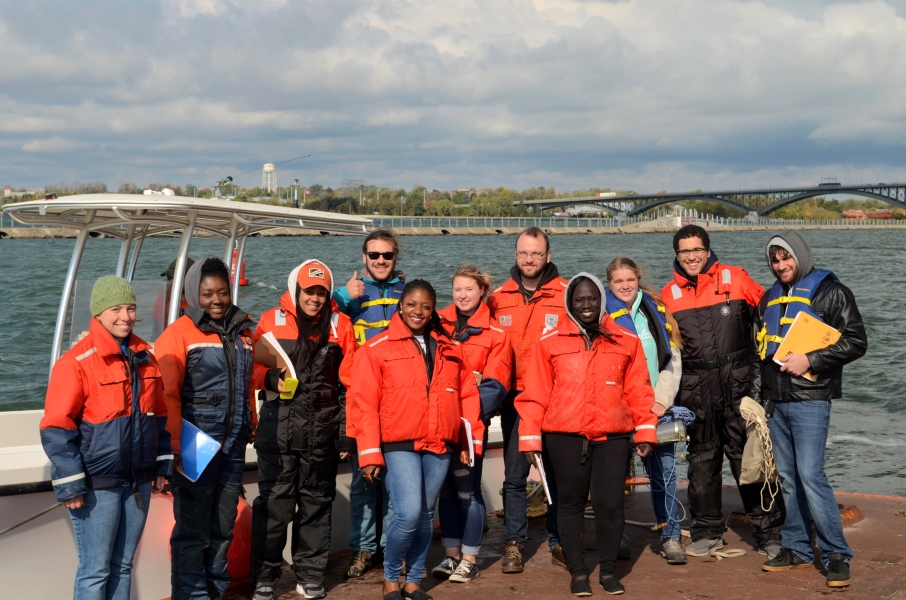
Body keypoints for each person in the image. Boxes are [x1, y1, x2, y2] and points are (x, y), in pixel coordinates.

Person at [517, 273, 658, 596]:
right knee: (569, 504)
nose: (585, 305)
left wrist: (646, 431)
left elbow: (639, 390)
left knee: (610, 505)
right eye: (579, 299)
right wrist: (529, 438)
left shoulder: (626, 341)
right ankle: (578, 573)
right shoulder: (549, 343)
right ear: (569, 303)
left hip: (613, 436)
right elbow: (535, 394)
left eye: (592, 298)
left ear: (602, 301)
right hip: (564, 437)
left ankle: (608, 572)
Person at [40, 275, 173, 600]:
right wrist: (70, 483)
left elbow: (159, 417)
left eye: (130, 308)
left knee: (123, 565)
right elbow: (57, 426)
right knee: (95, 570)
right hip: (97, 486)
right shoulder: (75, 363)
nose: (125, 316)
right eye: (116, 309)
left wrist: (160, 467)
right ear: (99, 313)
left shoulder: (146, 358)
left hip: (137, 483)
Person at [351, 279, 484, 600]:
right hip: (398, 444)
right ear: (400, 306)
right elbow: (362, 403)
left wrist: (469, 442)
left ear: (432, 309)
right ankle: (391, 579)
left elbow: (467, 396)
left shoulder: (450, 349)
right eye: (411, 304)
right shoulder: (376, 348)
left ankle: (413, 582)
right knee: (408, 513)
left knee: (426, 515)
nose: (418, 311)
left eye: (425, 306)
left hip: (440, 442)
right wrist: (369, 453)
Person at [750, 231, 867, 587]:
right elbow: (758, 350)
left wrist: (811, 359)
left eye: (786, 257)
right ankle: (798, 548)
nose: (781, 265)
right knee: (787, 479)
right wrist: (756, 399)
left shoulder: (832, 292)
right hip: (775, 403)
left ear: (800, 255)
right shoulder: (767, 298)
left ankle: (836, 554)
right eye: (774, 259)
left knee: (811, 476)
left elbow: (857, 341)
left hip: (811, 400)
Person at [660, 225, 785, 558]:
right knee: (702, 463)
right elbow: (662, 351)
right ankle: (707, 529)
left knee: (752, 461)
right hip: (695, 391)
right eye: (684, 251)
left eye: (696, 250)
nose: (691, 257)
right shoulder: (668, 296)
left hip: (738, 384)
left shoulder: (736, 278)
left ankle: (769, 532)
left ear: (708, 249)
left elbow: (773, 310)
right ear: (677, 255)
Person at [251, 260, 357, 600]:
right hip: (277, 431)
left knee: (316, 504)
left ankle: (310, 574)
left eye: (321, 292)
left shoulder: (342, 326)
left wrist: (347, 432)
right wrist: (268, 378)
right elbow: (251, 366)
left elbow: (351, 385)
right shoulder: (270, 320)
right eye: (309, 291)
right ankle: (264, 575)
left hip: (322, 433)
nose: (314, 298)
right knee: (274, 505)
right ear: (296, 289)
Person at [155, 258, 257, 600]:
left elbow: (244, 385)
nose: (217, 300)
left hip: (232, 445)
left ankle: (216, 592)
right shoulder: (178, 335)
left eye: (223, 292)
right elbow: (167, 395)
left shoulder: (242, 332)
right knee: (193, 531)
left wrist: (250, 422)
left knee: (223, 526)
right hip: (195, 446)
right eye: (208, 293)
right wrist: (173, 448)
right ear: (192, 294)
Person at [487, 226, 568, 573]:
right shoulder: (497, 298)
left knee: (557, 474)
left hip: (555, 398)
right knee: (515, 476)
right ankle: (514, 544)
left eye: (536, 253)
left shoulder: (567, 294)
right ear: (516, 255)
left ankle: (561, 541)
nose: (529, 259)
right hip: (515, 401)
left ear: (548, 256)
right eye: (523, 253)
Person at [431, 265, 512, 583]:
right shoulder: (435, 323)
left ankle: (469, 557)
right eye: (457, 289)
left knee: (468, 491)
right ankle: (451, 557)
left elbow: (496, 386)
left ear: (482, 292)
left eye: (469, 289)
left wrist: (461, 398)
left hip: (468, 425)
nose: (462, 295)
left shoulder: (497, 336)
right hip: (436, 422)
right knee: (446, 493)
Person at [332, 229, 405, 578]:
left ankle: (393, 549)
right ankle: (363, 548)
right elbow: (311, 309)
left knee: (394, 481)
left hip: (399, 399)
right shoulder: (348, 296)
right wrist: (344, 295)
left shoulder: (409, 294)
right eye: (374, 255)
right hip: (361, 398)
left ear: (395, 258)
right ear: (364, 257)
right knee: (364, 480)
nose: (380, 260)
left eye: (386, 256)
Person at [605, 256, 686, 565]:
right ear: (609, 283)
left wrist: (660, 402)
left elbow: (672, 359)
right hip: (616, 410)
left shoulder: (656, 312)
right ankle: (617, 536)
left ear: (637, 279)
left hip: (655, 407)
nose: (625, 286)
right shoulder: (602, 313)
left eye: (630, 279)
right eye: (618, 281)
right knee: (614, 479)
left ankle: (671, 536)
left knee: (664, 474)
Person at [152, 257, 195, 339]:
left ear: (191, 279)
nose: (170, 281)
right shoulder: (162, 298)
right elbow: (155, 333)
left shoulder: (201, 302)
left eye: (175, 277)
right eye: (169, 278)